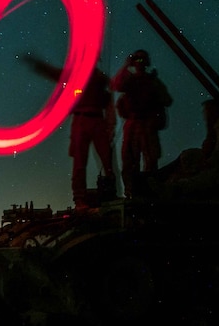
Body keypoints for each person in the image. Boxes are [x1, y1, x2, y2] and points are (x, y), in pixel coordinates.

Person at [23, 54, 116, 209]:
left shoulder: (100, 79)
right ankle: (79, 198)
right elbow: (56, 74)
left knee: (107, 161)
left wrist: (110, 125)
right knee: (80, 162)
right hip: (81, 120)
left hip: (97, 120)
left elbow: (109, 103)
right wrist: (38, 65)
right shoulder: (76, 77)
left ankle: (111, 193)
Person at [111, 49, 172, 197]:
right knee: (129, 160)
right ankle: (132, 191)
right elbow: (116, 85)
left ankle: (148, 191)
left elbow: (166, 100)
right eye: (137, 60)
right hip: (133, 123)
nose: (139, 63)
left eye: (141, 60)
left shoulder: (152, 82)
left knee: (150, 159)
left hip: (146, 124)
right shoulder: (131, 80)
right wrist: (126, 66)